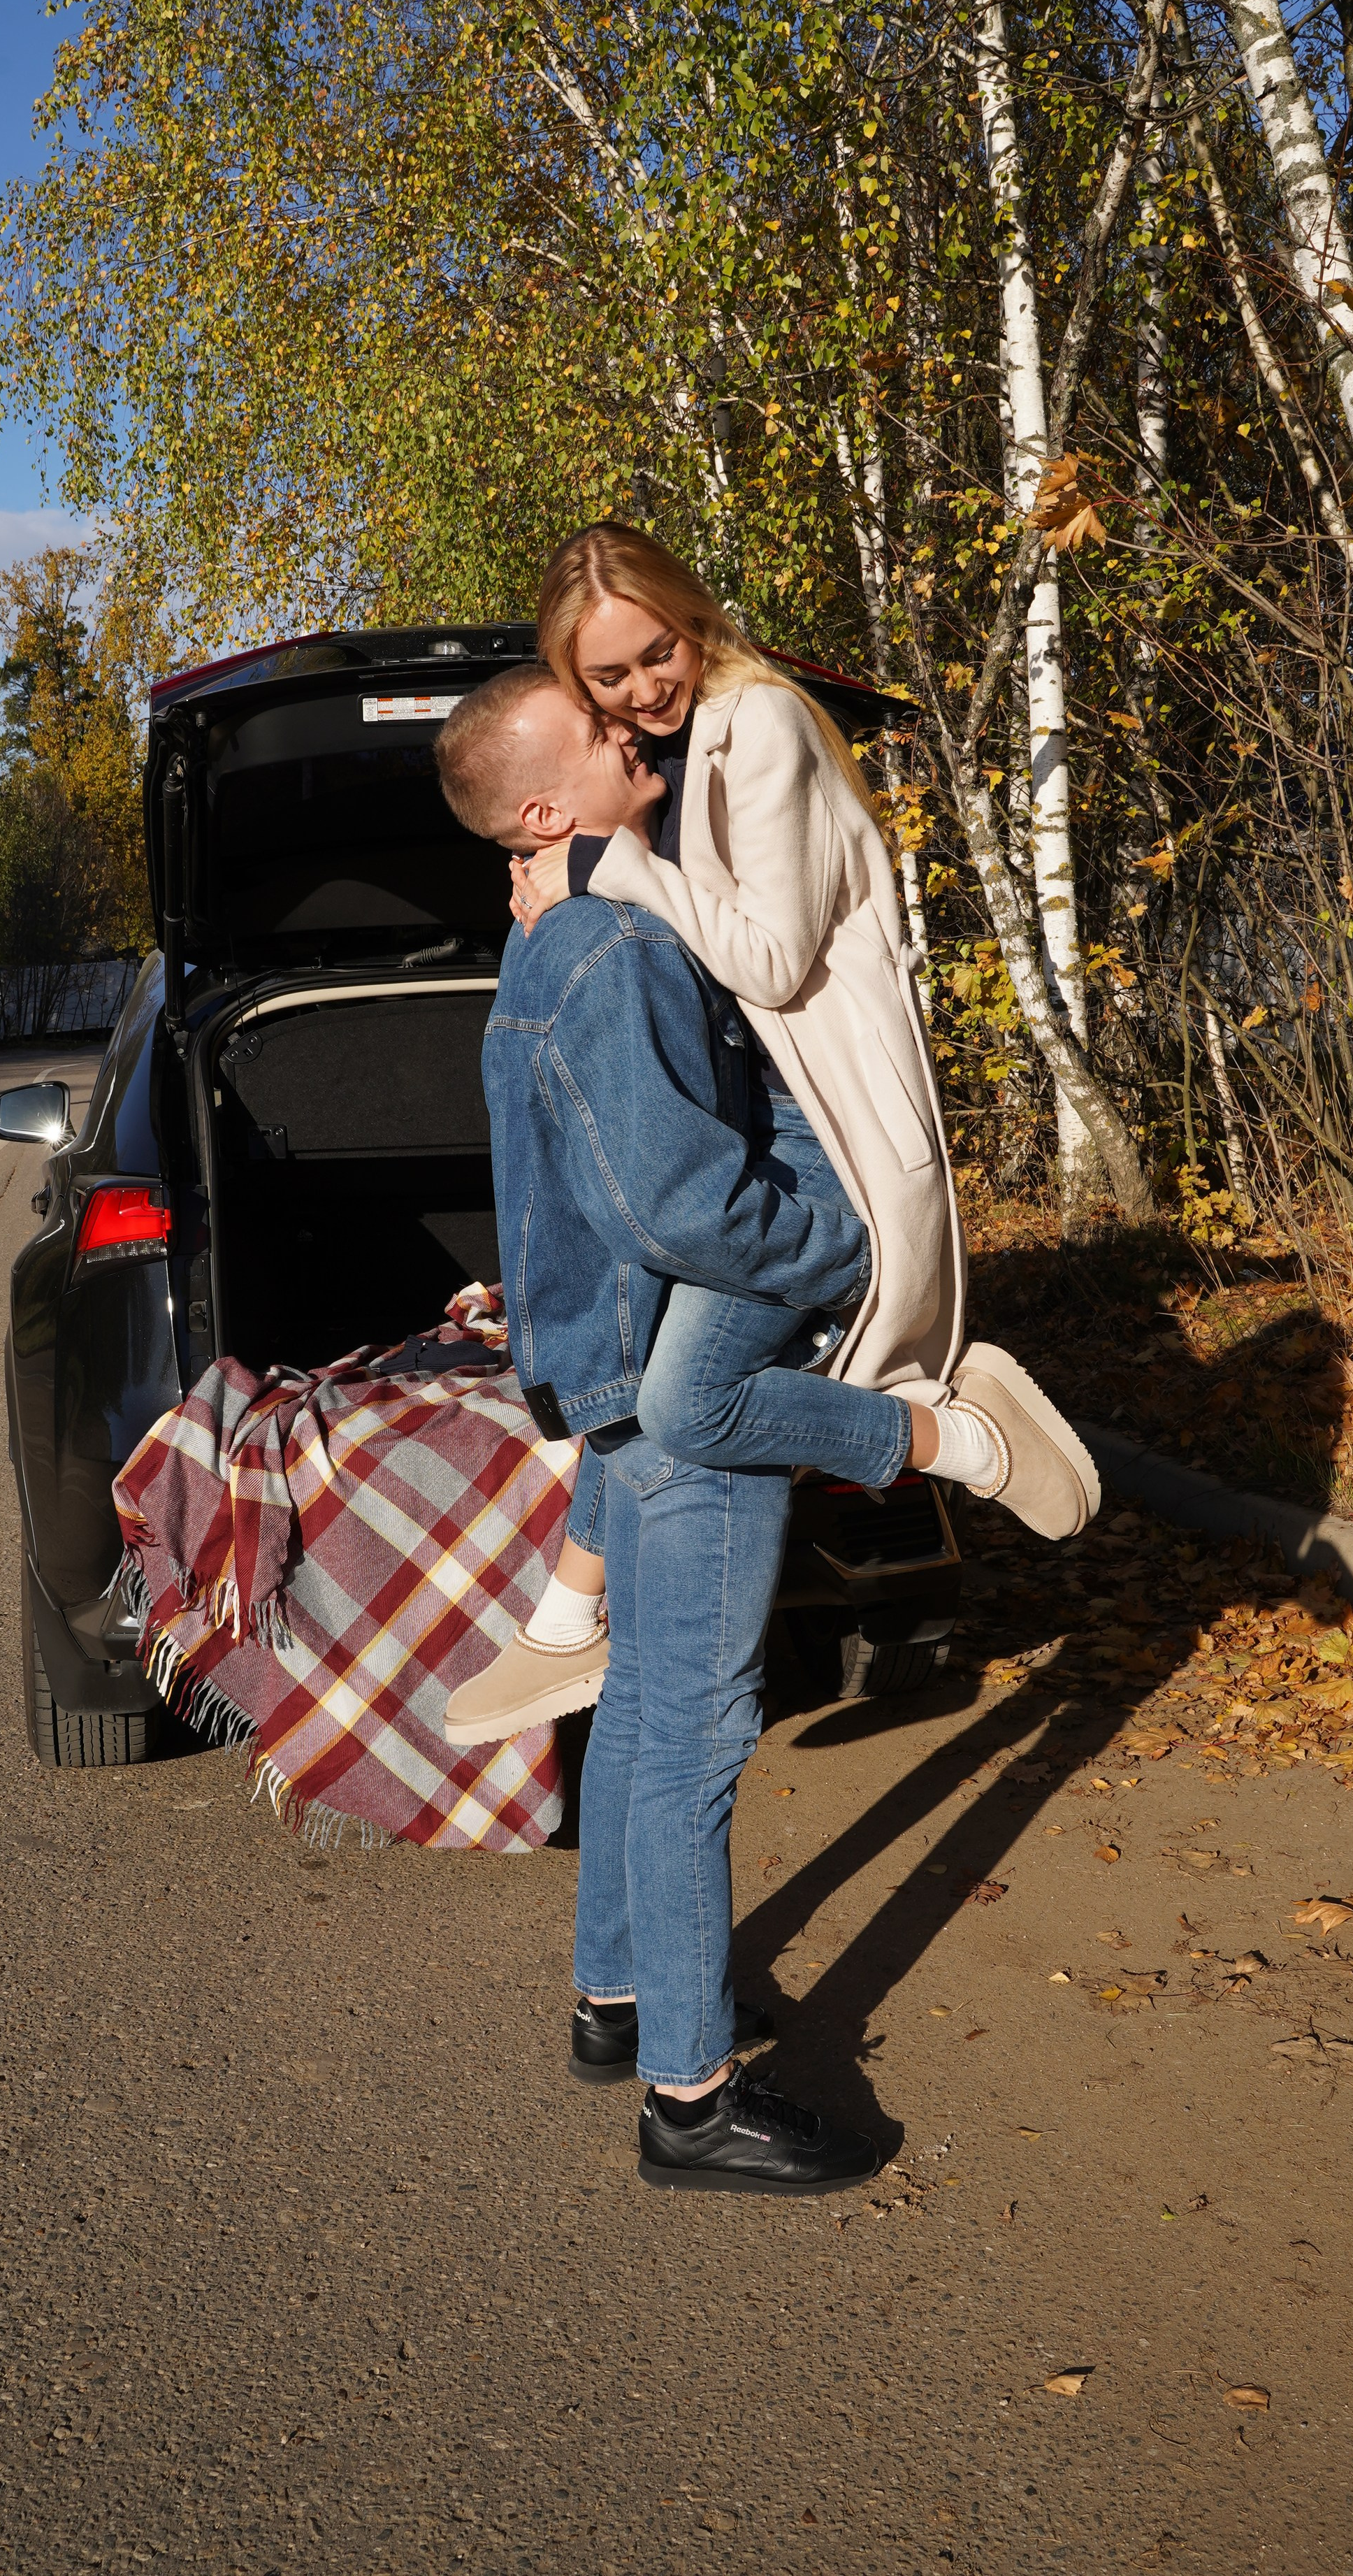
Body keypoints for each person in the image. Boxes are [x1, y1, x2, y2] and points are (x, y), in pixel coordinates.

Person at [435, 667, 1099, 1744]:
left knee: (687, 1404)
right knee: (642, 1381)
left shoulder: (664, 843)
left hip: (808, 1162)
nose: (624, 725)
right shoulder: (587, 910)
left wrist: (841, 1255)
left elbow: (751, 1010)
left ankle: (956, 1437)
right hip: (765, 1159)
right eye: (593, 722)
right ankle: (563, 1621)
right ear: (542, 817)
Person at [472, 760, 883, 2192]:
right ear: (540, 806)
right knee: (697, 1730)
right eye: (603, 735)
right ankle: (692, 2098)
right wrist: (852, 1248)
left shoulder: (562, 931)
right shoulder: (630, 940)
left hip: (625, 1356)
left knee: (645, 1706)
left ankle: (622, 2000)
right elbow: (683, 1197)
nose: (641, 748)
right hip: (684, 1354)